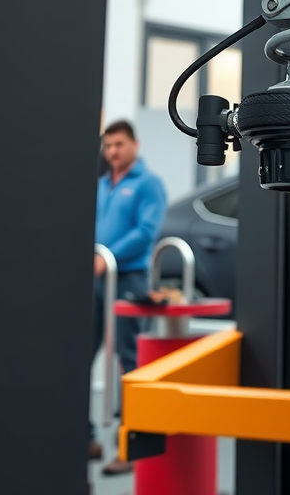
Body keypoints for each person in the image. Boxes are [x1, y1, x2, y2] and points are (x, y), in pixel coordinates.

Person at [91, 120, 167, 476]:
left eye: (119, 145)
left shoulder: (148, 184)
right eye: (108, 146)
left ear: (134, 144)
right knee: (81, 351)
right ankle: (84, 438)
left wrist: (106, 256)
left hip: (128, 278)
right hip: (97, 276)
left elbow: (146, 231)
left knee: (130, 361)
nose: (113, 152)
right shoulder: (103, 183)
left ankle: (131, 447)